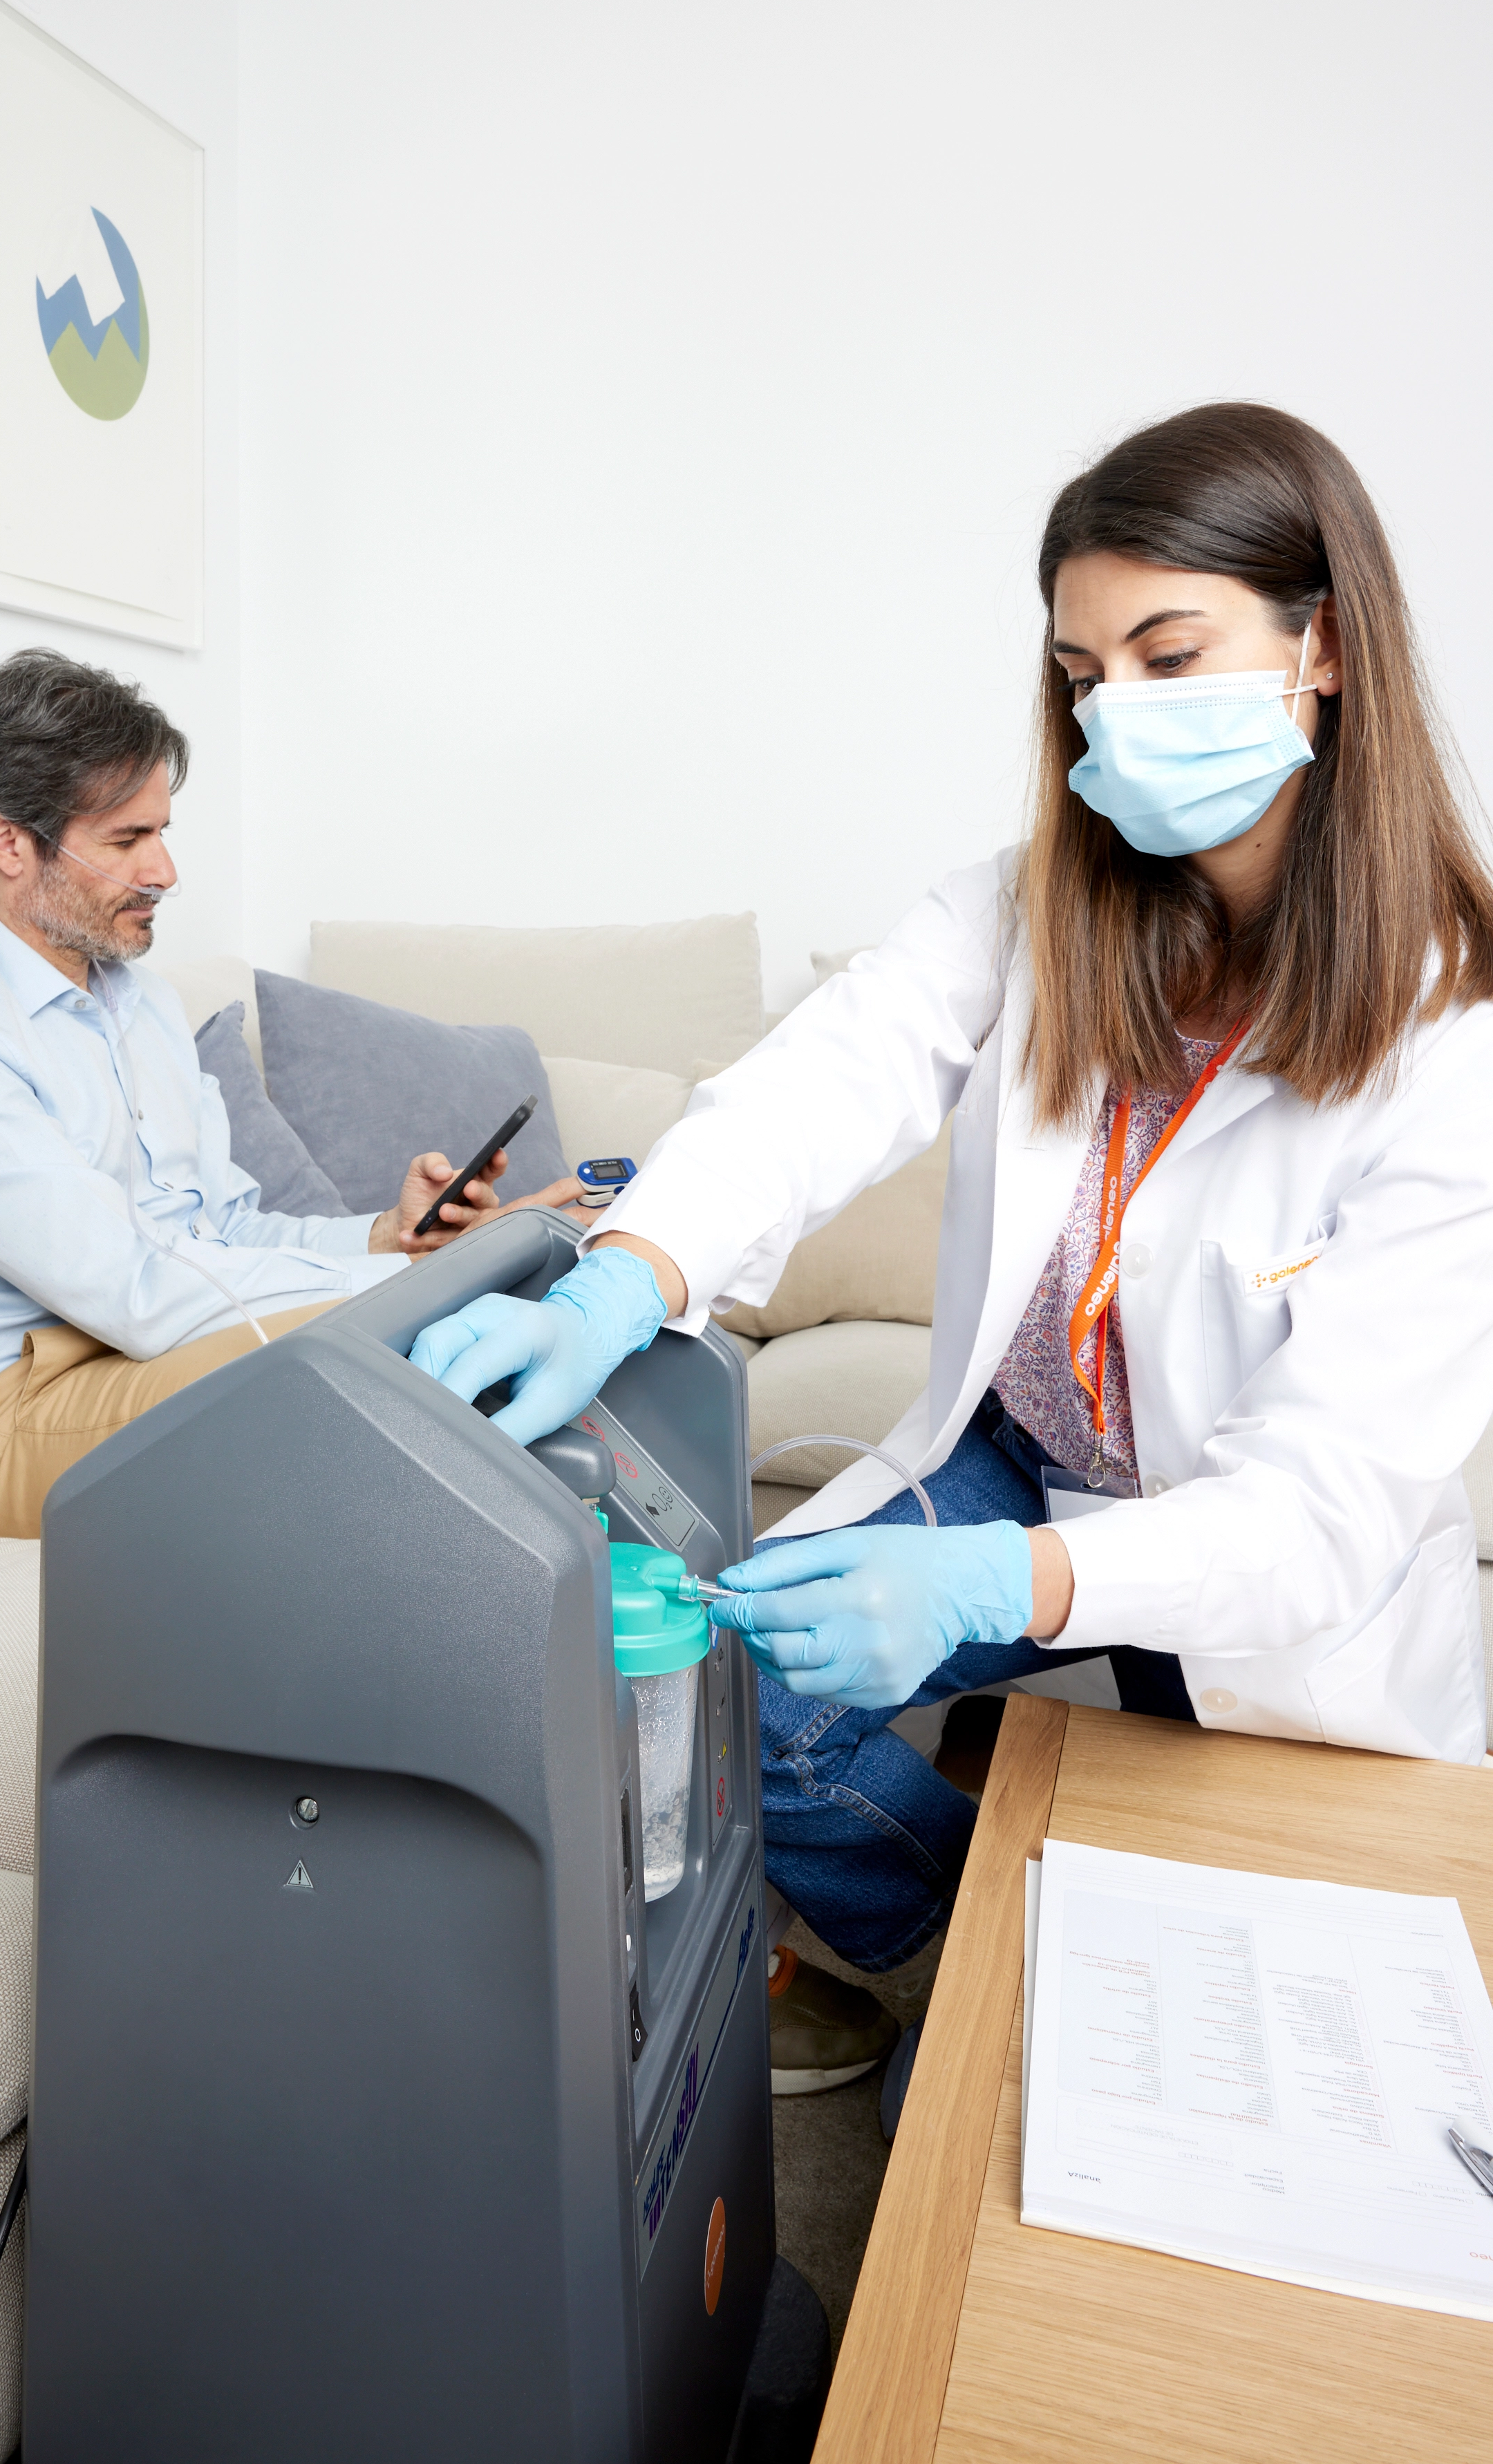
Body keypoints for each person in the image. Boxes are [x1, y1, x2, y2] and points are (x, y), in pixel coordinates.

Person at [410, 402, 1493, 2097]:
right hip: (1035, 1454)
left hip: (1269, 1587)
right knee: (723, 1693)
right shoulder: (1029, 906)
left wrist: (999, 1589)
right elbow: (818, 1086)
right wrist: (627, 1270)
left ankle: (1040, 1983)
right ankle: (970, 1949)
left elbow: (1320, 1515)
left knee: (1211, 2087)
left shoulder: (1453, 1038)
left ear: (1325, 646)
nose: (1115, 712)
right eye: (1081, 669)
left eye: (1169, 650)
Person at [0, 650, 583, 1539]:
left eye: (162, 831)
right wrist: (416, 1277)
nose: (166, 871)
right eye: (126, 840)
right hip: (23, 1404)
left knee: (507, 1318)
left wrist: (389, 1237)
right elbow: (136, 1293)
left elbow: (222, 1232)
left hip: (180, 1340)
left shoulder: (140, 1000)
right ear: (7, 843)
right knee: (398, 1355)